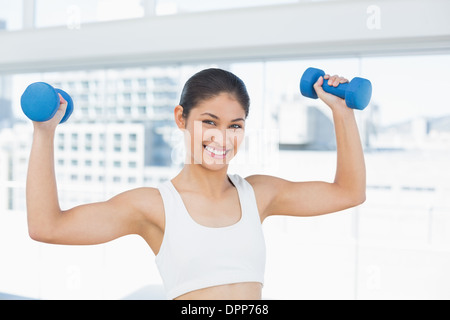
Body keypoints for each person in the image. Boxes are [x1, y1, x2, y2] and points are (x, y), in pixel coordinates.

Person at [26, 68, 366, 300]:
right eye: (209, 122)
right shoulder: (154, 205)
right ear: (181, 118)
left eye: (235, 125)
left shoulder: (260, 194)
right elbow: (47, 226)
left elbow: (349, 192)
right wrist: (45, 131)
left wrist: (341, 111)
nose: (222, 137)